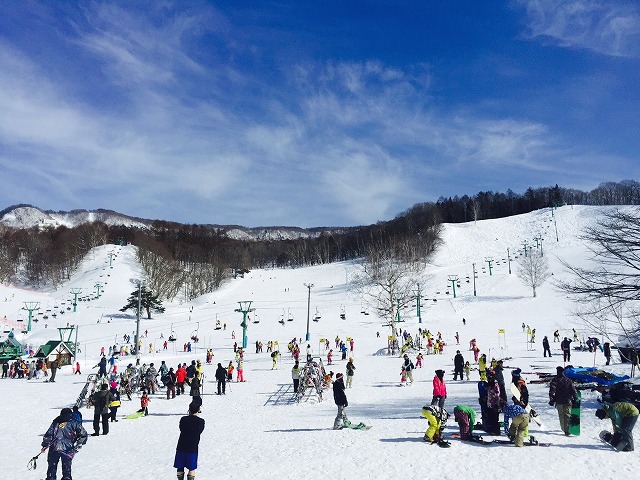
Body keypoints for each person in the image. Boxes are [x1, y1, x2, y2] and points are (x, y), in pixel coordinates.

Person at [41, 407, 88, 480]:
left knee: (52, 467)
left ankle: (52, 478)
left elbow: (49, 434)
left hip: (55, 448)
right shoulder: (74, 422)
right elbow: (83, 434)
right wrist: (79, 443)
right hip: (67, 449)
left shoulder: (57, 422)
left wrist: (45, 445)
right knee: (66, 469)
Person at [174, 401, 205, 480]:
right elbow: (200, 431)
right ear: (198, 410)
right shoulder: (201, 421)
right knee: (191, 468)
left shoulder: (183, 419)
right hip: (192, 447)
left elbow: (181, 428)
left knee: (180, 467)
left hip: (181, 446)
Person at [548, 366, 578, 435]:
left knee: (561, 415)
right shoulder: (568, 380)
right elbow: (573, 390)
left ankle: (563, 428)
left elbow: (552, 391)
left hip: (559, 401)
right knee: (567, 415)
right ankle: (567, 430)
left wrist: (552, 399)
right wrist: (575, 398)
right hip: (568, 400)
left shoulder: (555, 380)